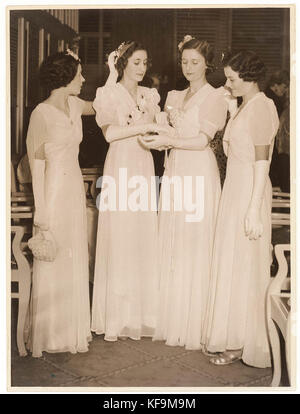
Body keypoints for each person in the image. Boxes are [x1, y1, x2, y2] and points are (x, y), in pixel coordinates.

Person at [140, 35, 228, 350]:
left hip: (199, 171)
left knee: (195, 240)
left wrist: (170, 140)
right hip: (176, 169)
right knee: (174, 237)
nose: (188, 67)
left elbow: (202, 140)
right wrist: (154, 132)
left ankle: (196, 322)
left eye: (195, 62)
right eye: (184, 61)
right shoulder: (174, 95)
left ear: (208, 64)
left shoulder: (216, 96)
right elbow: (164, 129)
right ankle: (172, 318)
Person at [91, 41, 173, 341]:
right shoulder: (107, 93)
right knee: (121, 233)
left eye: (145, 62)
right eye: (137, 62)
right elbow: (111, 133)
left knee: (140, 233)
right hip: (120, 165)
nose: (142, 68)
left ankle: (143, 315)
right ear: (123, 63)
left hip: (142, 165)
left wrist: (163, 130)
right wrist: (142, 127)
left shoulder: (151, 95)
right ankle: (117, 316)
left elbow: (157, 128)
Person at [203, 51, 279, 368]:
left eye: (233, 78)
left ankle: (245, 342)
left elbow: (263, 162)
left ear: (249, 77)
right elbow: (233, 148)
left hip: (251, 190)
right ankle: (233, 337)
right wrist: (232, 108)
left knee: (247, 268)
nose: (228, 83)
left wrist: (252, 209)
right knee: (232, 265)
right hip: (234, 189)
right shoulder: (244, 107)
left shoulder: (262, 106)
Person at [26, 50, 95, 357]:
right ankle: (51, 334)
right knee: (52, 257)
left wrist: (117, 71)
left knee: (73, 254)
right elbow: (36, 162)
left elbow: (103, 106)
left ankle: (72, 330)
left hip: (73, 189)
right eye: (79, 73)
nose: (83, 79)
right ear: (65, 76)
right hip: (52, 191)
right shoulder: (40, 113)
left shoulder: (75, 104)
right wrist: (41, 209)